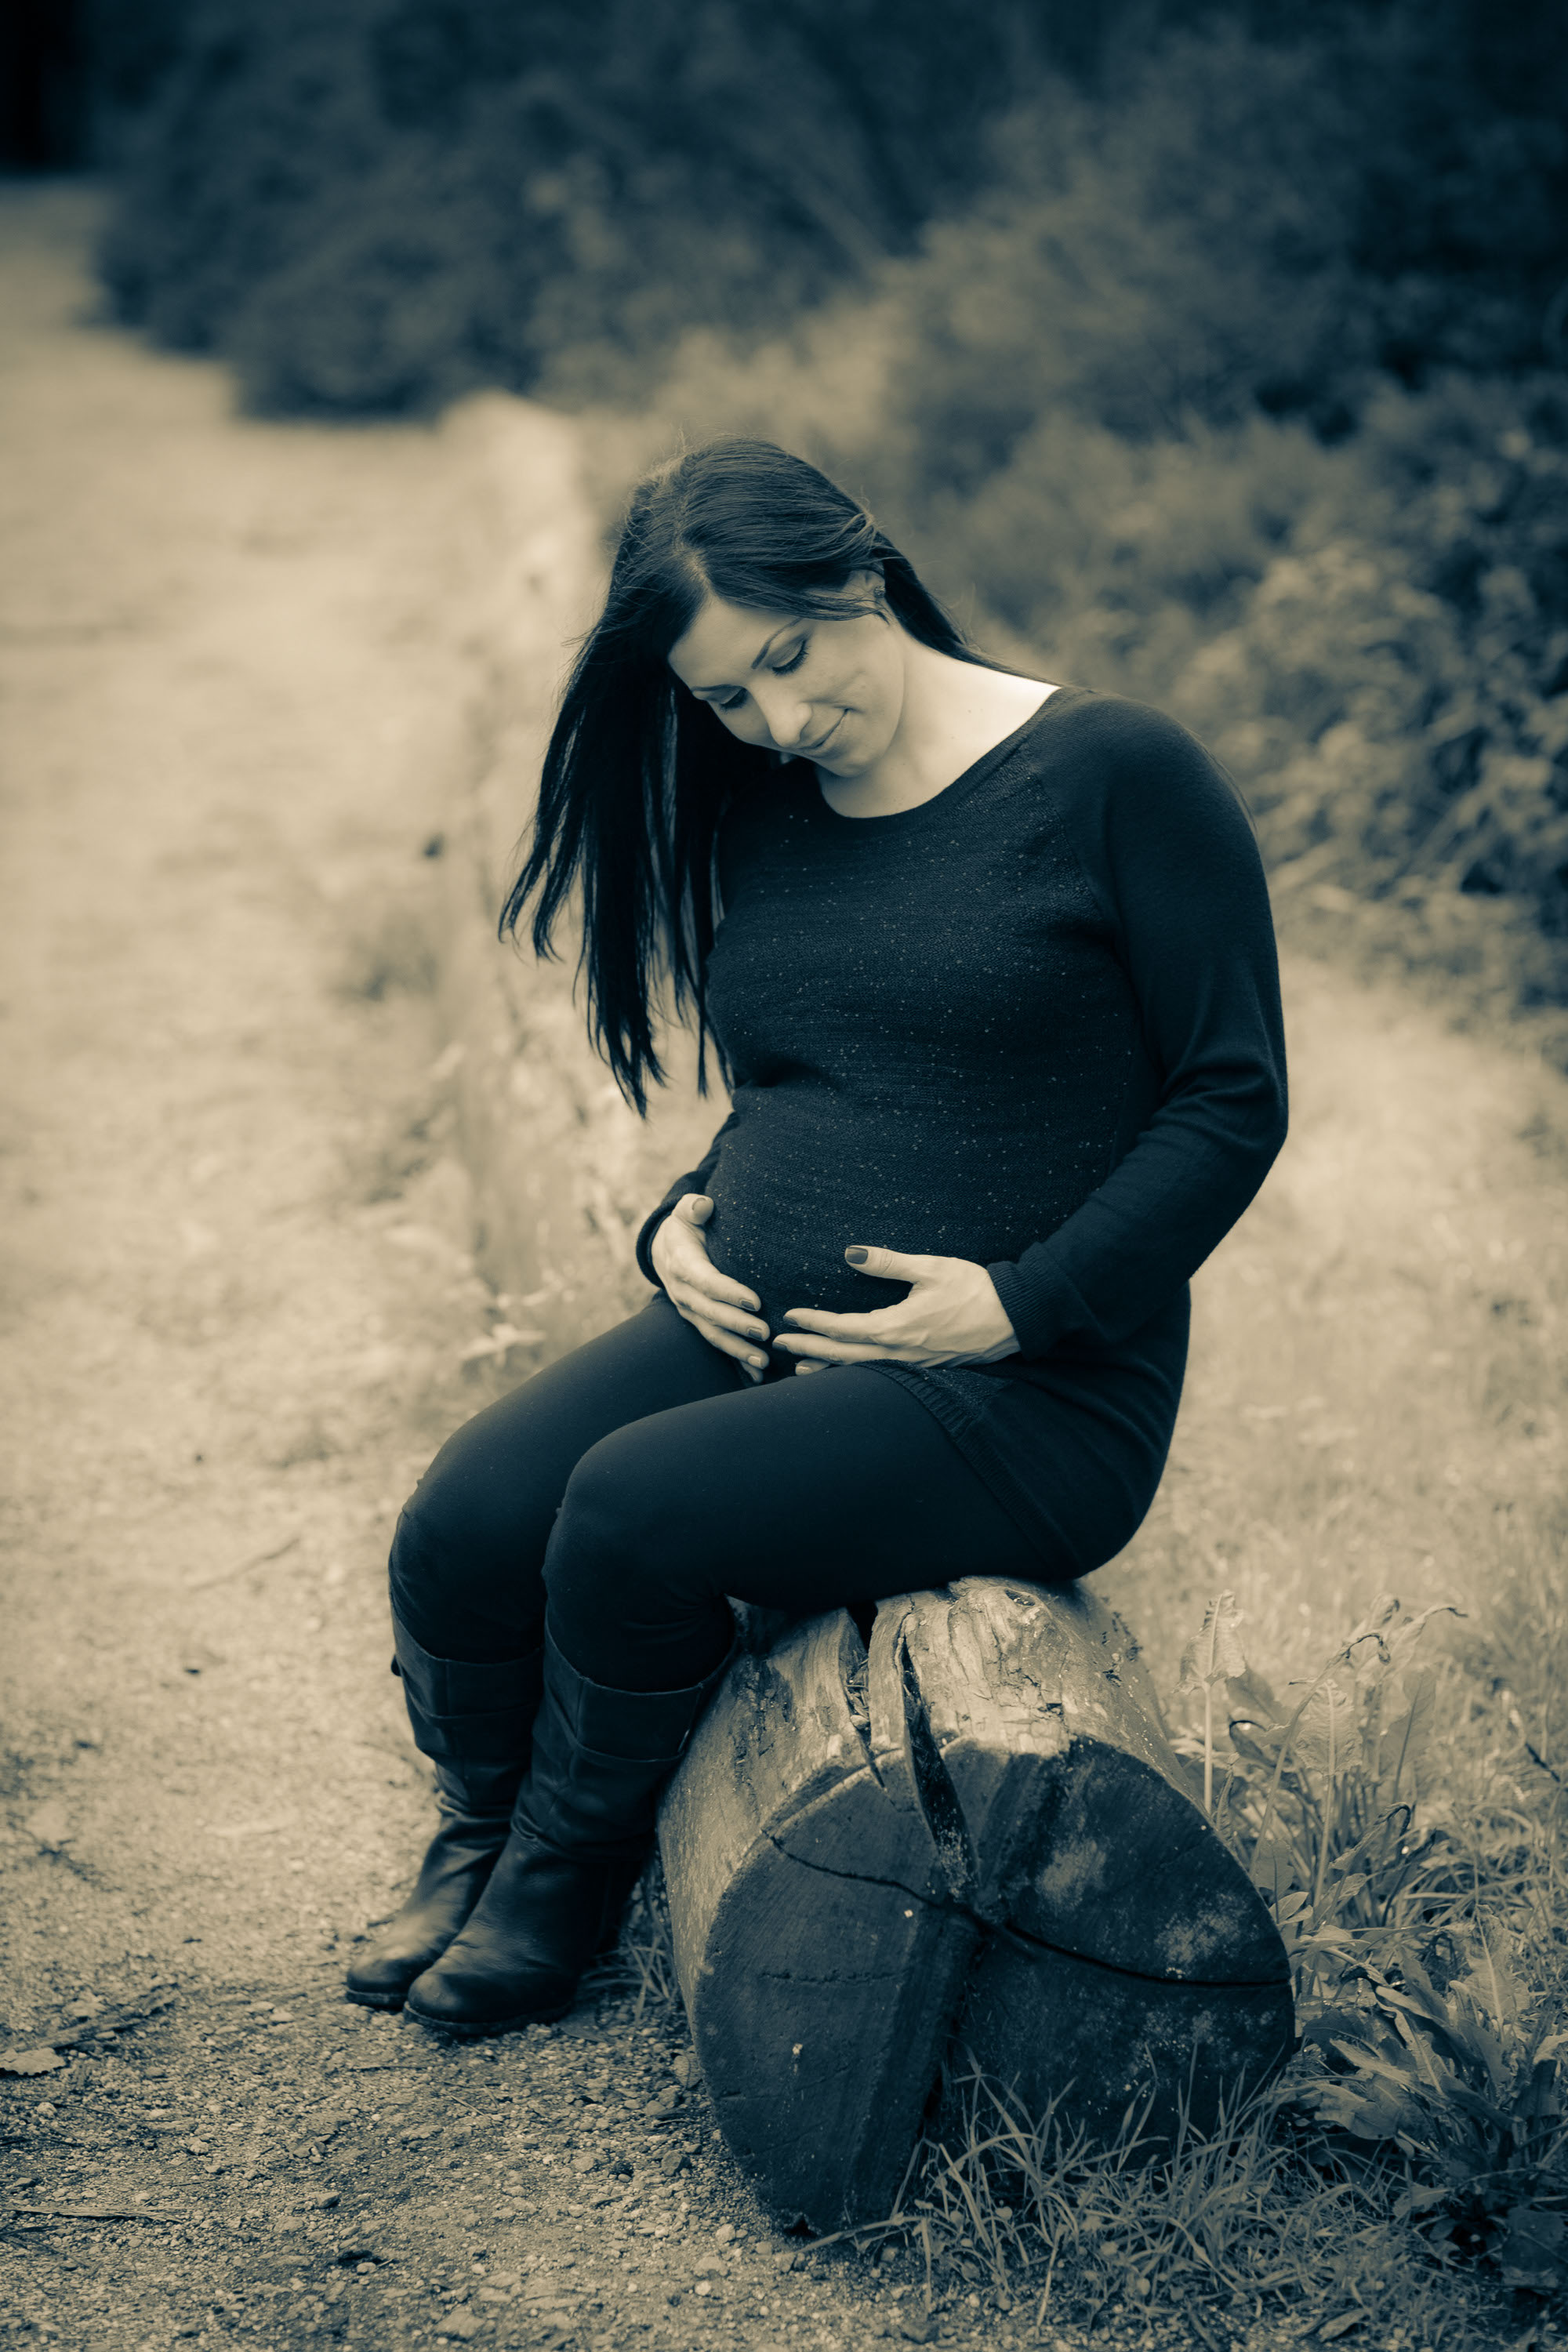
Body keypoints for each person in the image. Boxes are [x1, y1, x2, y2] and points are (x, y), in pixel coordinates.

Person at [345, 438, 1288, 2035]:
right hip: (760, 1335)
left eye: (785, 659)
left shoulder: (1117, 775)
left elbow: (1228, 1100)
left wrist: (1017, 1303)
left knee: (629, 1513)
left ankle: (559, 1889)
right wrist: (674, 1226)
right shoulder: (765, 809)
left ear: (853, 570)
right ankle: (478, 1831)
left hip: (1033, 1394)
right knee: (463, 1518)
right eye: (726, 698)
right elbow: (803, 1079)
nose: (778, 721)